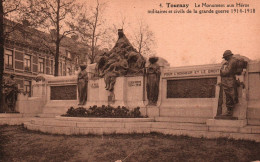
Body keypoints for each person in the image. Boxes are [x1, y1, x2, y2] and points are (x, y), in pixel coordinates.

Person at [219, 50, 240, 116]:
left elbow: (226, 72)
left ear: (228, 56)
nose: (225, 59)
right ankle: (229, 111)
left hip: (229, 81)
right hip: (229, 81)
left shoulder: (232, 61)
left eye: (225, 57)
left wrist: (221, 70)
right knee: (229, 95)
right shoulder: (232, 61)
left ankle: (229, 111)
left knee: (229, 95)